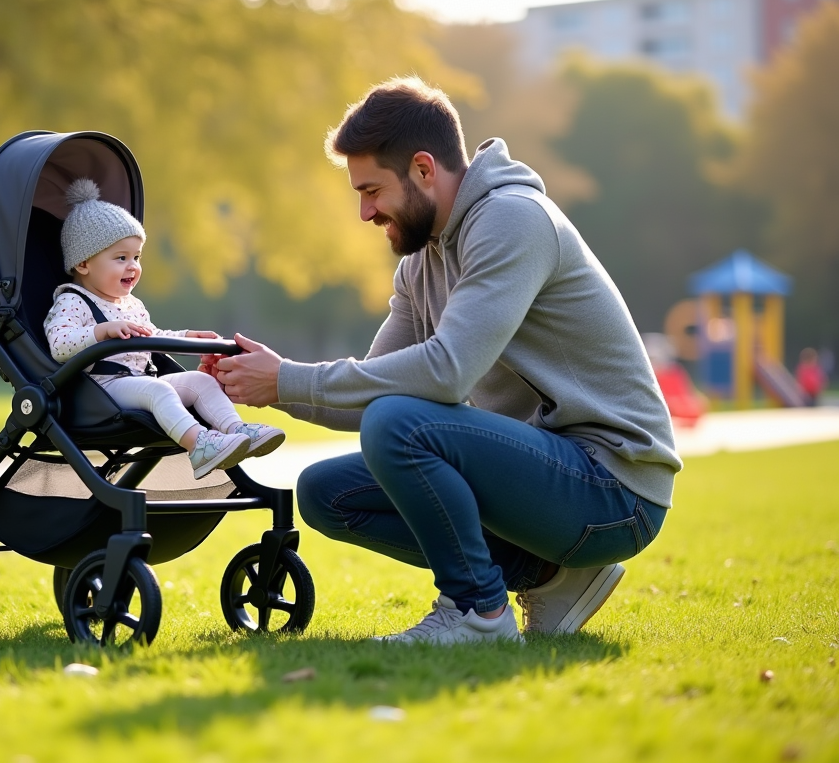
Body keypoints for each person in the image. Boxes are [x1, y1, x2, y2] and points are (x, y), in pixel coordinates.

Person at [207, 77, 682, 645]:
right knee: (324, 493)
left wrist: (290, 378)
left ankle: (478, 613)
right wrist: (267, 383)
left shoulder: (512, 219)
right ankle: (549, 574)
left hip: (615, 488)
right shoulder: (420, 263)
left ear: (425, 170)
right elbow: (372, 394)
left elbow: (448, 371)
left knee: (397, 425)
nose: (364, 212)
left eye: (373, 190)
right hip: (548, 477)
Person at [44, 178, 285, 479]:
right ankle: (199, 445)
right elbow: (60, 344)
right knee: (157, 389)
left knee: (201, 382)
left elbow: (150, 335)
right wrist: (101, 331)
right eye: (121, 258)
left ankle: (237, 430)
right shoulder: (72, 300)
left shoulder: (130, 303)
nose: (132, 266)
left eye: (136, 257)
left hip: (139, 384)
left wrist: (186, 337)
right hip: (100, 390)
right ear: (83, 264)